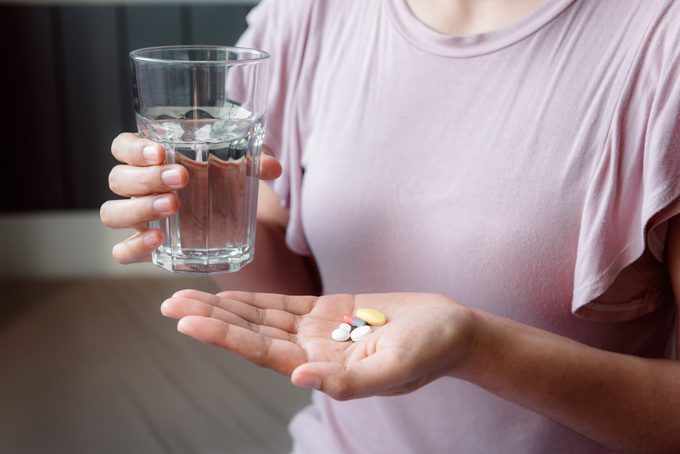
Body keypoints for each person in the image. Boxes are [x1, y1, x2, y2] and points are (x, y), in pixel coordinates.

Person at [100, 0, 680, 452]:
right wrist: (206, 216)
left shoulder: (662, 41)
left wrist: (478, 348)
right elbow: (294, 293)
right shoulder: (307, 15)